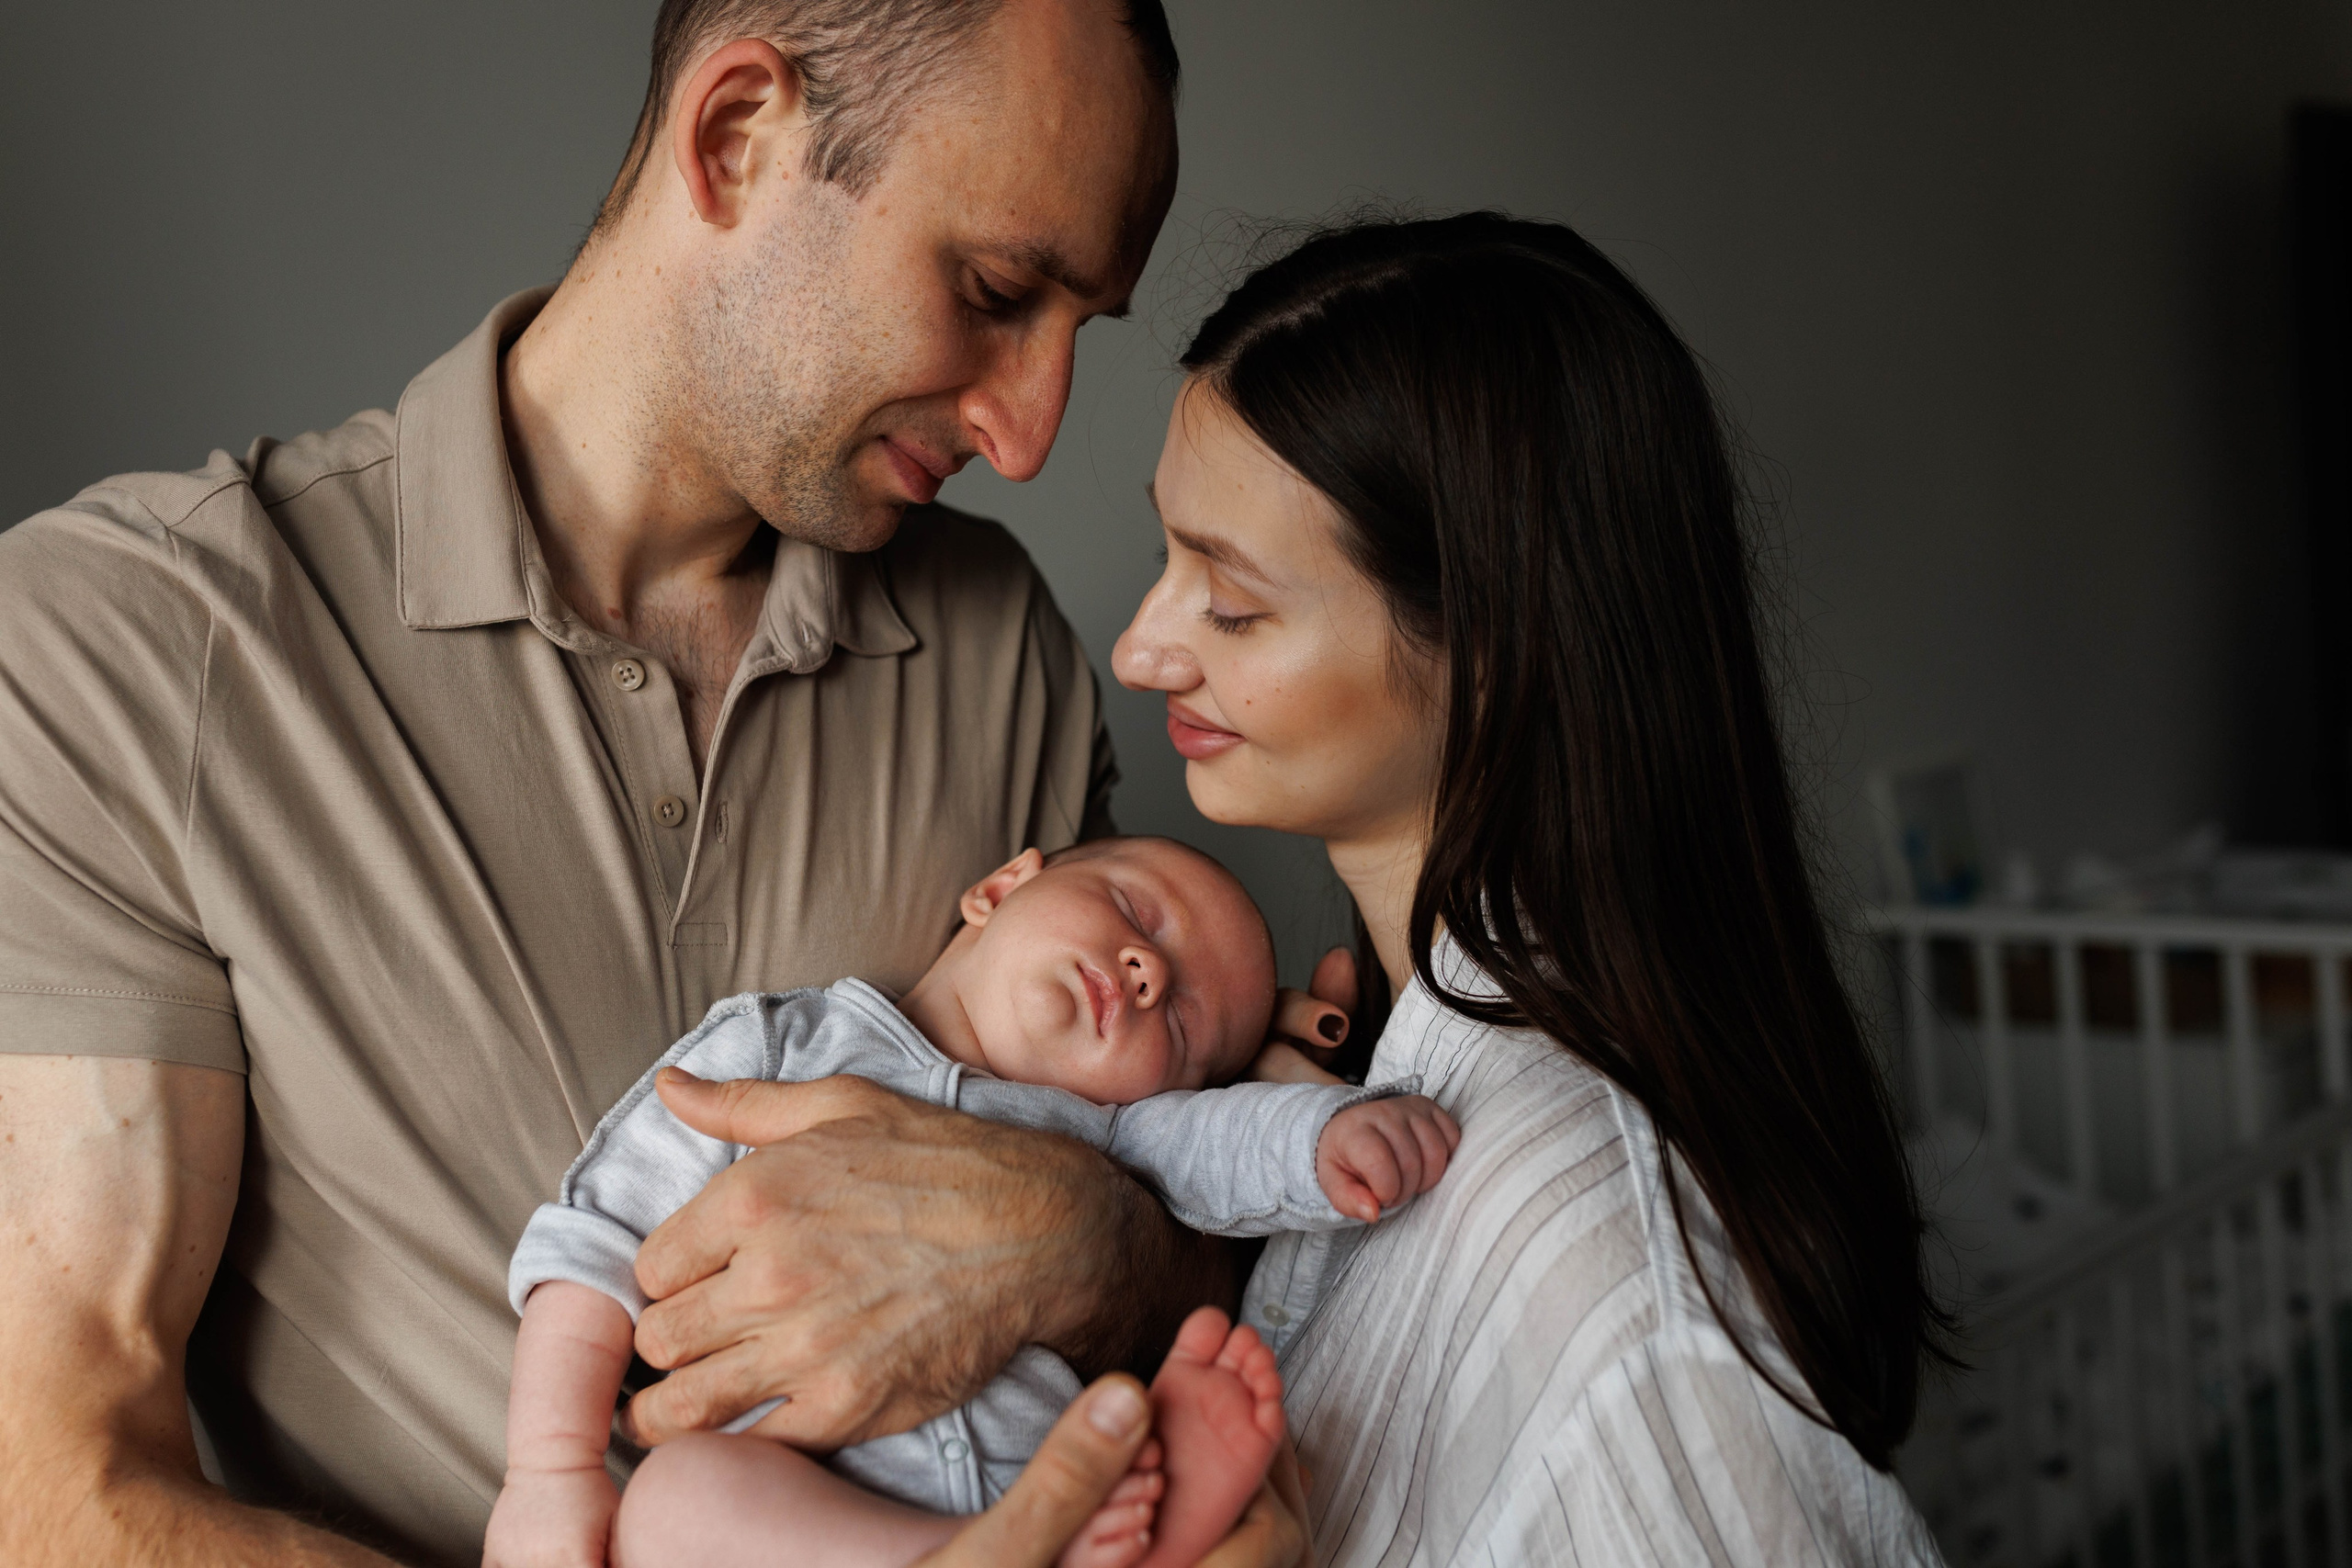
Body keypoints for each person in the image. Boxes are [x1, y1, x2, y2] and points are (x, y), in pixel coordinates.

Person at [0, 4, 1328, 1564]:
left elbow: (1139, 1227)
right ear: (738, 135)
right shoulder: (129, 641)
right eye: (992, 290)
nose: (1029, 433)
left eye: (1074, 332)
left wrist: (1091, 1238)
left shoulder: (996, 652)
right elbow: (53, 1481)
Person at [1101, 211, 1952, 1562]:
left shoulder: (1606, 1277)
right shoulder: (1366, 1082)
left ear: (1494, 647)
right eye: (1166, 557)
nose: (1141, 646)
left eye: (1235, 602)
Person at [487, 836, 1457, 1568]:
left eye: (1189, 1024)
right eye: (1136, 911)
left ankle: (1099, 1530)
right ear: (1001, 887)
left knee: (1131, 1432)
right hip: (793, 1505)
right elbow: (592, 1248)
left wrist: (1329, 1136)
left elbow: (1227, 1143)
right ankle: (983, 1550)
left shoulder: (1104, 1137)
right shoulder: (779, 1046)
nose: (1150, 973)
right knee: (671, 1504)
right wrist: (549, 1473)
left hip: (1040, 1465)